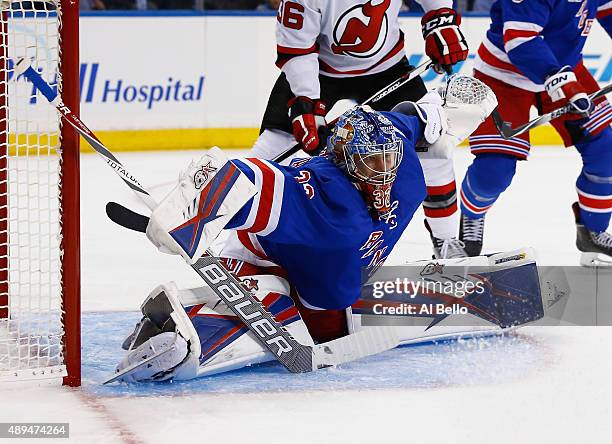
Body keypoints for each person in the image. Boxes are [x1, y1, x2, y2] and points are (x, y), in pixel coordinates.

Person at [112, 75, 499, 382]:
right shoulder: (327, 193)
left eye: (387, 161)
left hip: (328, 276)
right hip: (273, 254)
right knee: (301, 323)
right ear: (343, 160)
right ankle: (187, 329)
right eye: (369, 164)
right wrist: (195, 212)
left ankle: (249, 304)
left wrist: (442, 113)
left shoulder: (393, 142)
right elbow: (251, 178)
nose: (382, 174)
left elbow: (416, 117)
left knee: (327, 320)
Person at [251, 0, 469, 259]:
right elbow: (297, 49)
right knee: (274, 148)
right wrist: (305, 101)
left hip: (388, 69)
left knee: (434, 149)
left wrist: (440, 19)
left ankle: (447, 244)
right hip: (319, 71)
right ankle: (237, 236)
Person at [458, 0, 612, 266]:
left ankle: (593, 232)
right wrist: (559, 80)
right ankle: (472, 214)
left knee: (605, 152)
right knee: (494, 171)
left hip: (567, 70)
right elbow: (520, 39)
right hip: (504, 75)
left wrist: (563, 78)